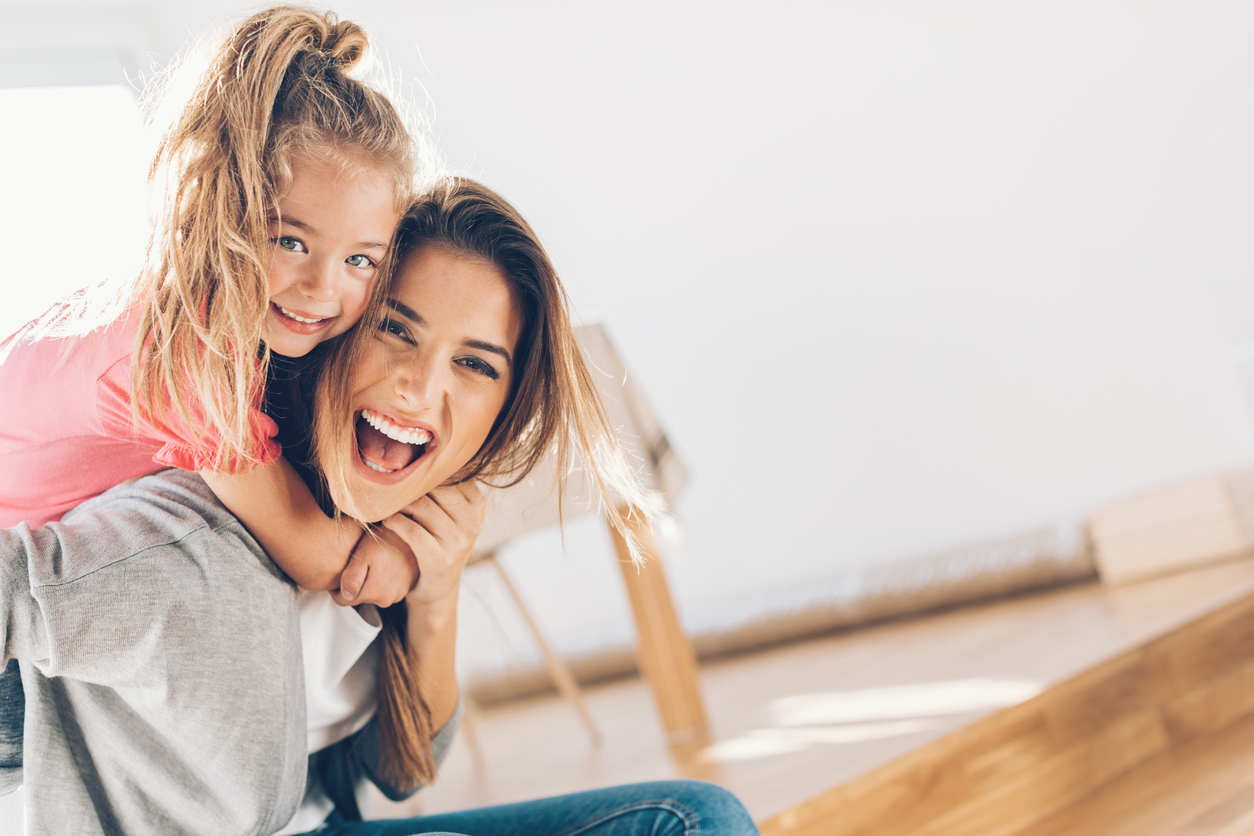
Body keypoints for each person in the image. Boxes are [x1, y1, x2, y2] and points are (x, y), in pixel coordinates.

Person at [0, 180, 759, 835]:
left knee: (695, 823)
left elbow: (398, 771)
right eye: (396, 330)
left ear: (502, 409)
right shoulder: (189, 536)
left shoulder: (391, 532)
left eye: (474, 364)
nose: (421, 389)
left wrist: (435, 599)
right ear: (334, 331)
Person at [0, 4, 427, 795]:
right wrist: (410, 551)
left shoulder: (186, 311)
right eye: (289, 241)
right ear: (221, 208)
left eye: (362, 261)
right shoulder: (188, 352)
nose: (321, 288)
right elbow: (310, 554)